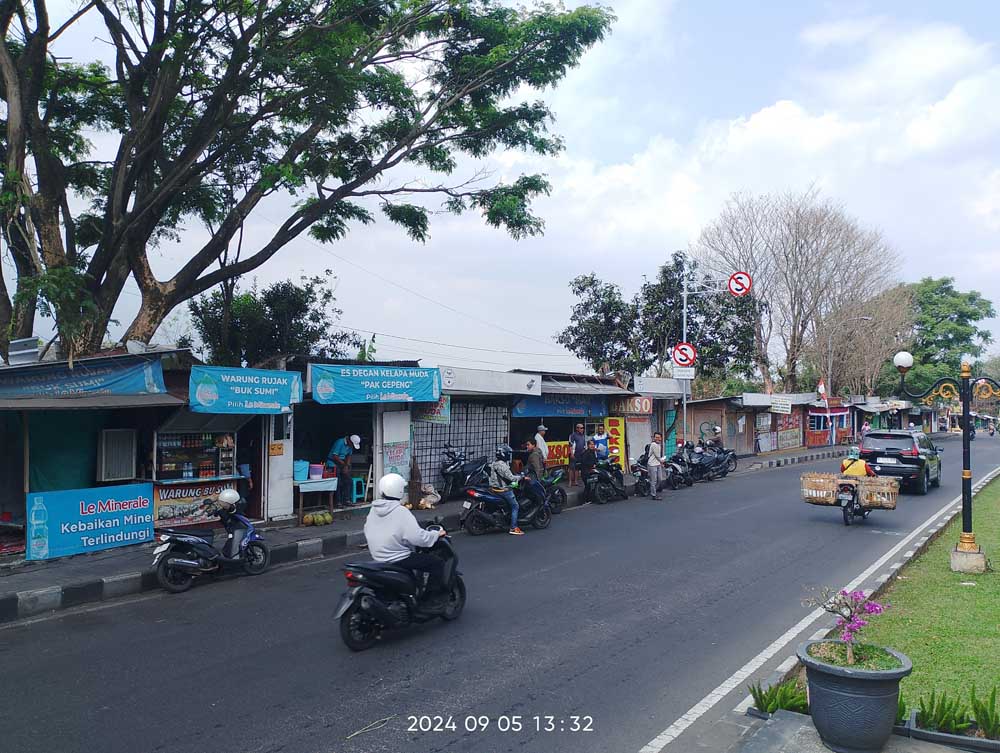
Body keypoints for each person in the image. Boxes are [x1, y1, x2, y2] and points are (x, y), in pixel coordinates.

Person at [364, 473, 447, 596]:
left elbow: (369, 529)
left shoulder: (374, 509)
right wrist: (435, 535)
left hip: (378, 556)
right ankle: (432, 600)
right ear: (399, 491)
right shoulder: (401, 511)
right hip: (398, 558)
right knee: (437, 563)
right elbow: (418, 537)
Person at [487, 444, 524, 535]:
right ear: (504, 454)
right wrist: (521, 477)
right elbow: (511, 478)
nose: (509, 455)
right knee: (515, 506)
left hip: (493, 489)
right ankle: (514, 527)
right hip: (503, 490)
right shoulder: (502, 466)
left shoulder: (494, 463)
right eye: (508, 453)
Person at [327, 433, 361, 506]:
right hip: (333, 463)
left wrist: (347, 466)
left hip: (342, 463)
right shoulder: (340, 442)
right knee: (338, 482)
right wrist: (344, 465)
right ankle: (338, 502)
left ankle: (347, 500)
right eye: (352, 444)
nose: (352, 446)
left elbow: (348, 456)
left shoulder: (350, 445)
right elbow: (335, 456)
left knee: (349, 481)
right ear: (349, 441)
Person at [523, 438, 547, 507]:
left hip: (535, 476)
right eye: (526, 445)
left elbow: (537, 468)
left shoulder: (534, 455)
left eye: (528, 445)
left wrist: (537, 480)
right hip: (539, 474)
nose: (527, 446)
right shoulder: (537, 451)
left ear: (533, 445)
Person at [647, 431, 665, 500]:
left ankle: (653, 490)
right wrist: (662, 461)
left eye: (659, 437)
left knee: (660, 479)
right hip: (652, 464)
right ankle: (653, 495)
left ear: (661, 438)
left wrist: (660, 463)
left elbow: (658, 456)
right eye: (656, 437)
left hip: (657, 464)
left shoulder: (659, 445)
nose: (657, 438)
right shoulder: (653, 444)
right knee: (654, 480)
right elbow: (657, 456)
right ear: (654, 438)